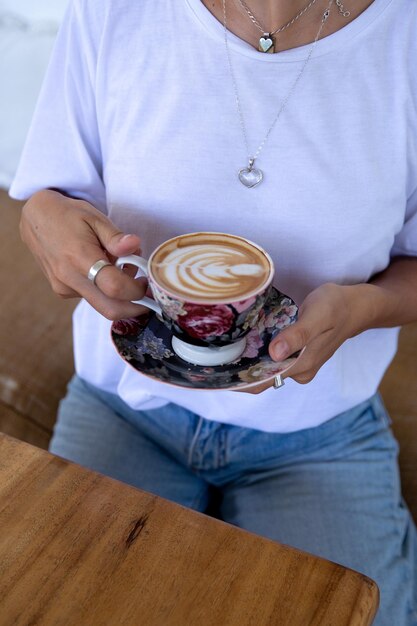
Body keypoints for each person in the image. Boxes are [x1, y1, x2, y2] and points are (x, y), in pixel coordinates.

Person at [10, 0, 417, 623]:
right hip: (124, 406)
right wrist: (51, 228)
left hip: (318, 435)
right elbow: (47, 200)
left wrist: (366, 306)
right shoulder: (114, 10)